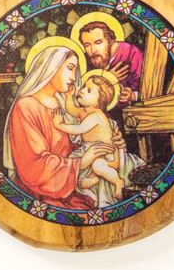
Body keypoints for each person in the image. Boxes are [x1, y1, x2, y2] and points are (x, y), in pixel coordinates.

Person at [2, 45, 126, 210]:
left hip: (69, 184)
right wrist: (81, 163)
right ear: (51, 67)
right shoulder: (26, 107)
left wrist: (109, 143)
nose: (74, 78)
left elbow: (70, 145)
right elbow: (33, 164)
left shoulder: (61, 103)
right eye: (70, 68)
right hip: (42, 192)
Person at [53, 74, 146, 207]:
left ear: (98, 102)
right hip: (89, 149)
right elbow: (71, 109)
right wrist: (69, 95)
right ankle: (90, 180)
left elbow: (79, 129)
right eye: (84, 87)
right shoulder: (84, 110)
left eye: (89, 90)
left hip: (105, 152)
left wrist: (59, 125)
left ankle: (118, 181)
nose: (82, 91)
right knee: (73, 163)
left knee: (97, 165)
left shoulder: (96, 116)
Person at [79, 21, 144, 109]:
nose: (93, 50)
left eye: (98, 42)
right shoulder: (86, 60)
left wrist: (133, 96)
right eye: (87, 45)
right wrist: (109, 78)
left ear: (111, 41)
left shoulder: (132, 54)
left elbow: (145, 90)